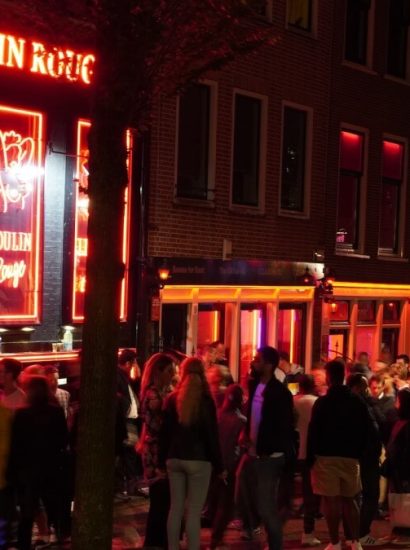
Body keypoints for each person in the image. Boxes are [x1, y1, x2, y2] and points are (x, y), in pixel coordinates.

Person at [159, 357, 225, 550]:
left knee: (175, 508)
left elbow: (165, 433)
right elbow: (212, 436)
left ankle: (172, 547)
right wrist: (219, 466)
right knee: (194, 512)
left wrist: (163, 460)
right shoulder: (206, 401)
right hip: (199, 460)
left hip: (175, 457)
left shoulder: (172, 399)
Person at [307, 360, 373, 550]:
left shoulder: (323, 402)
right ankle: (354, 540)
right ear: (344, 375)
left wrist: (311, 458)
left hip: (326, 456)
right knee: (350, 499)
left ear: (328, 377)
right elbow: (366, 429)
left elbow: (314, 431)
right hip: (350, 456)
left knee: (331, 500)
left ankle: (335, 541)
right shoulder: (357, 402)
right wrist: (360, 452)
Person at [239, 346, 295, 550]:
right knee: (243, 492)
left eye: (257, 359)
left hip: (269, 456)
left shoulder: (279, 393)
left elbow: (282, 425)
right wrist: (246, 435)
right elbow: (254, 418)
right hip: (253, 452)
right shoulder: (256, 386)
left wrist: (266, 448)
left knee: (265, 505)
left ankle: (275, 544)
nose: (253, 362)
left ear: (269, 365)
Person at [8, 376, 68, 550]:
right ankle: (59, 537)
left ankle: (24, 544)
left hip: (28, 470)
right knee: (53, 506)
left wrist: (13, 470)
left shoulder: (22, 414)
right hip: (51, 468)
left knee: (27, 512)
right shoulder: (55, 412)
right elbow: (62, 439)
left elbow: (16, 444)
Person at [138, 352, 175, 550]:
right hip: (156, 451)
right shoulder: (153, 395)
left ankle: (157, 540)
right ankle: (155, 541)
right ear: (159, 371)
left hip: (158, 449)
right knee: (160, 498)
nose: (173, 375)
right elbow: (161, 423)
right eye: (169, 371)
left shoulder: (162, 392)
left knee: (163, 499)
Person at [345, 374, 384, 546]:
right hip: (365, 456)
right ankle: (360, 533)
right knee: (368, 495)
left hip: (354, 455)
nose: (366, 389)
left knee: (353, 496)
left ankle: (352, 534)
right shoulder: (364, 405)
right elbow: (379, 425)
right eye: (363, 386)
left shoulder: (348, 404)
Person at [209, 384, 246, 550]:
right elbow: (241, 444)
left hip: (214, 464)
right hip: (230, 465)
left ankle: (215, 538)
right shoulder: (241, 421)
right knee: (226, 505)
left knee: (214, 502)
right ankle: (216, 539)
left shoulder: (217, 415)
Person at [294, 375, 321, 547]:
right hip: (312, 452)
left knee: (297, 490)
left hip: (295, 451)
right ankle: (308, 531)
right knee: (312, 493)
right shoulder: (317, 403)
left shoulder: (294, 401)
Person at [383, 388, 410, 545]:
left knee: (403, 500)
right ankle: (396, 531)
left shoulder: (406, 424)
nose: (395, 403)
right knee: (396, 501)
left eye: (398, 401)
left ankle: (405, 534)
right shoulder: (400, 421)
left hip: (402, 469)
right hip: (395, 468)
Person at [117, 348, 142, 496]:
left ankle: (130, 486)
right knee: (128, 453)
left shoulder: (124, 376)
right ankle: (126, 487)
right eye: (134, 363)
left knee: (130, 453)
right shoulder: (119, 376)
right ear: (128, 363)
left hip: (129, 420)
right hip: (126, 421)